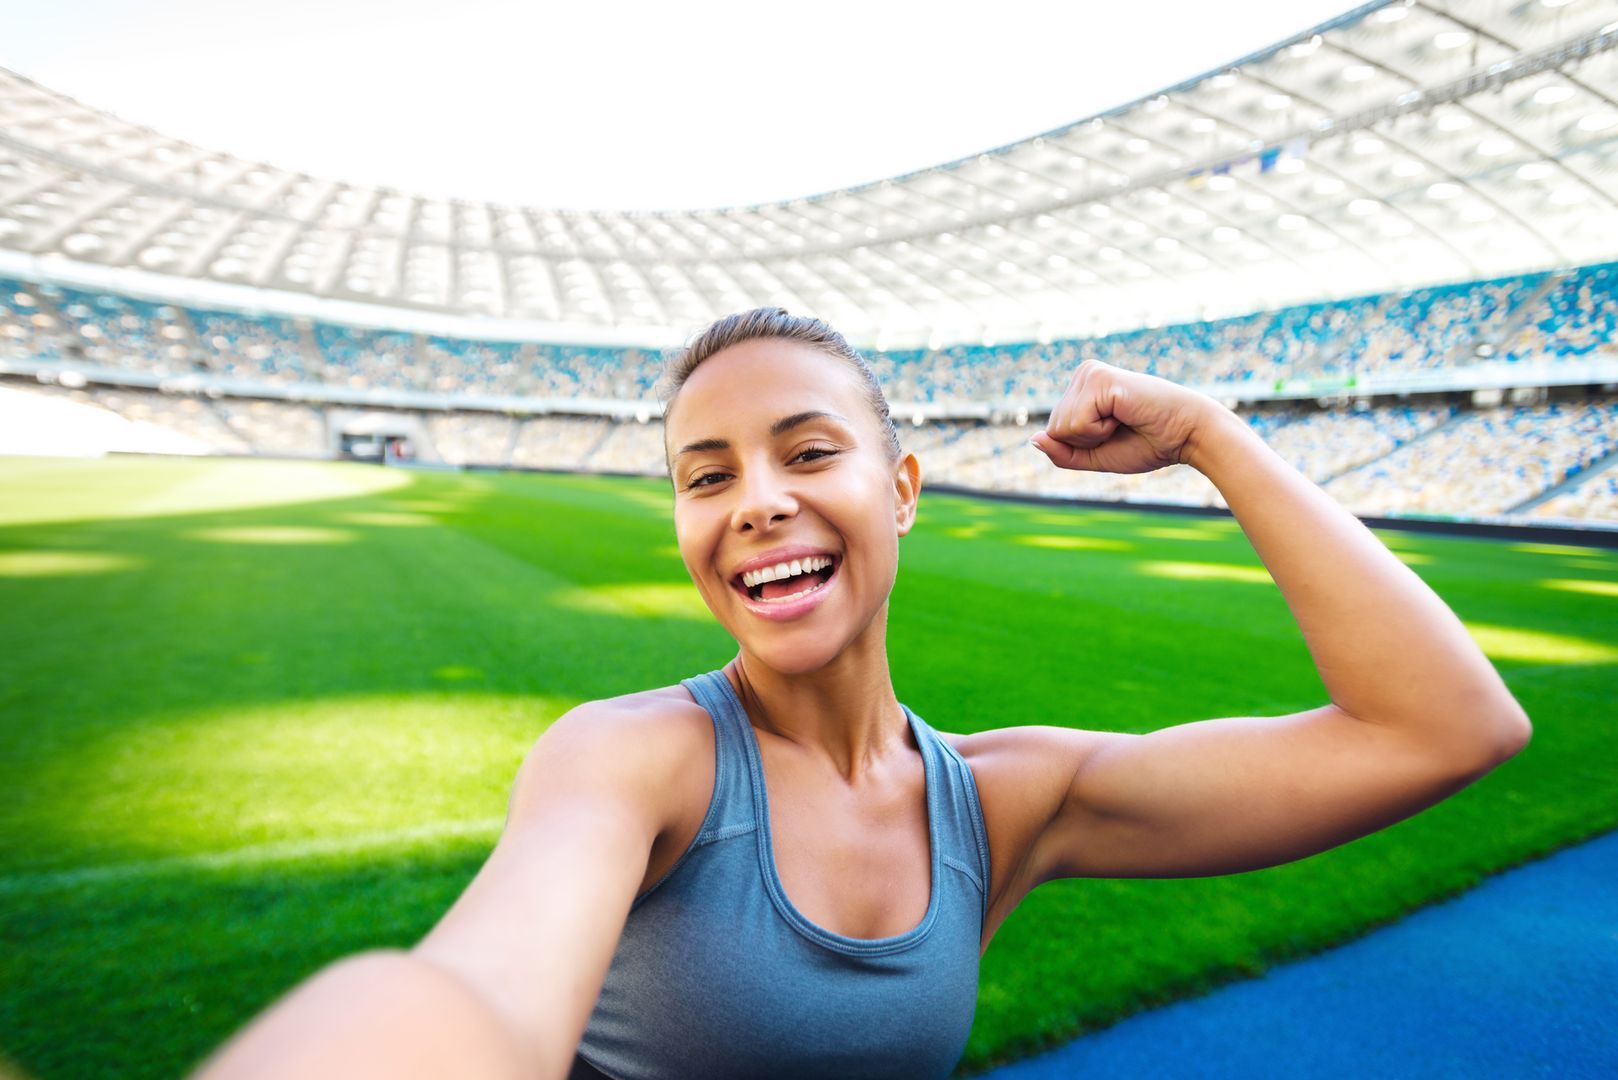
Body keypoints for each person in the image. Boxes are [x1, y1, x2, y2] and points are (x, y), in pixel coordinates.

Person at [191, 307, 1531, 1080]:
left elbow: (1441, 728)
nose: (756, 499)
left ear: (898, 490)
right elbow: (470, 1005)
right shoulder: (631, 762)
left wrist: (1209, 437)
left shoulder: (1009, 804)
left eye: (807, 452)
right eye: (705, 475)